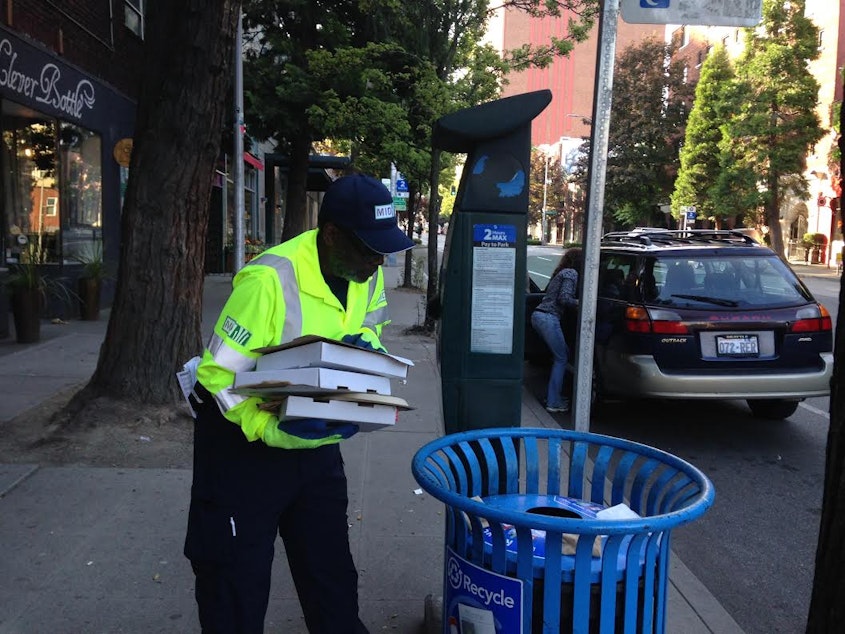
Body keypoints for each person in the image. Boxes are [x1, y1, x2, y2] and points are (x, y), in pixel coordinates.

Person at [184, 173, 415, 634]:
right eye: (369, 248)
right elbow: (217, 376)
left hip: (316, 444)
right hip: (242, 452)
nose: (377, 260)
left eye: (384, 249)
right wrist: (269, 428)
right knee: (235, 585)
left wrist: (361, 363)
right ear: (330, 235)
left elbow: (371, 330)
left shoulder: (365, 276)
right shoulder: (268, 279)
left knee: (331, 578)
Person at [530, 247, 583, 413]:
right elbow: (564, 298)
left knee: (561, 354)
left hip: (540, 316)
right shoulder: (571, 274)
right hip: (549, 318)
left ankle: (553, 394)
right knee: (562, 358)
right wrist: (582, 303)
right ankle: (553, 402)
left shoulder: (561, 272)